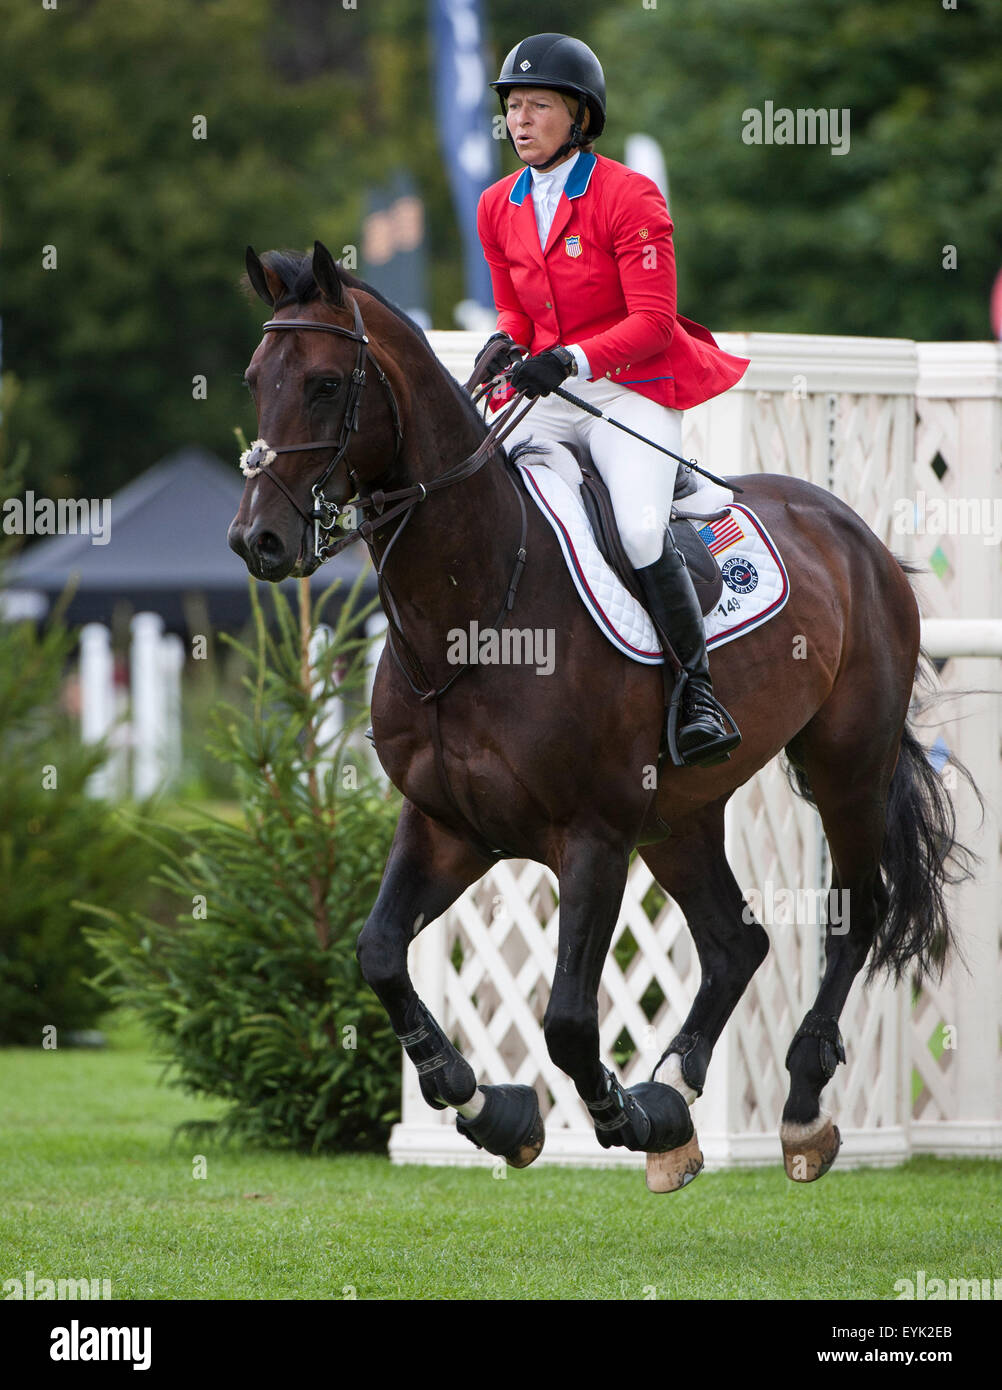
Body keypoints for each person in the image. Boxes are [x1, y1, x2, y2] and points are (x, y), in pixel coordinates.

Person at [476, 32, 748, 768]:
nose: (520, 120)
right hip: (548, 394)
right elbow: (513, 312)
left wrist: (570, 357)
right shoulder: (496, 204)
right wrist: (506, 344)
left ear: (580, 118)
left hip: (631, 390)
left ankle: (697, 692)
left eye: (539, 106)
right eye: (512, 107)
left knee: (633, 531)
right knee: (494, 503)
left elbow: (654, 321)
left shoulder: (629, 196)